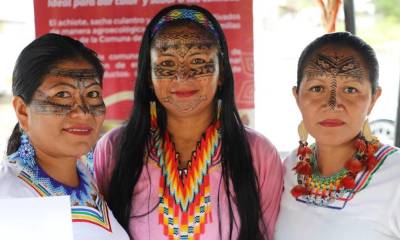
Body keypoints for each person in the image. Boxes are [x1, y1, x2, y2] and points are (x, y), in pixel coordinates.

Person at [94, 4, 283, 240]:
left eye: (197, 61)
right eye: (167, 64)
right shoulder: (114, 149)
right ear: (149, 78)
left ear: (222, 72)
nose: (182, 76)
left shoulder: (257, 152)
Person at [0, 33, 129, 240]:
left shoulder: (87, 172)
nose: (83, 112)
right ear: (23, 111)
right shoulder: (13, 197)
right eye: (62, 95)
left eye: (93, 94)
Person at [274, 32, 400, 240]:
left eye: (350, 89)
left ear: (373, 99)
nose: (332, 105)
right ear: (297, 97)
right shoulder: (289, 167)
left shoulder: (395, 176)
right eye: (317, 88)